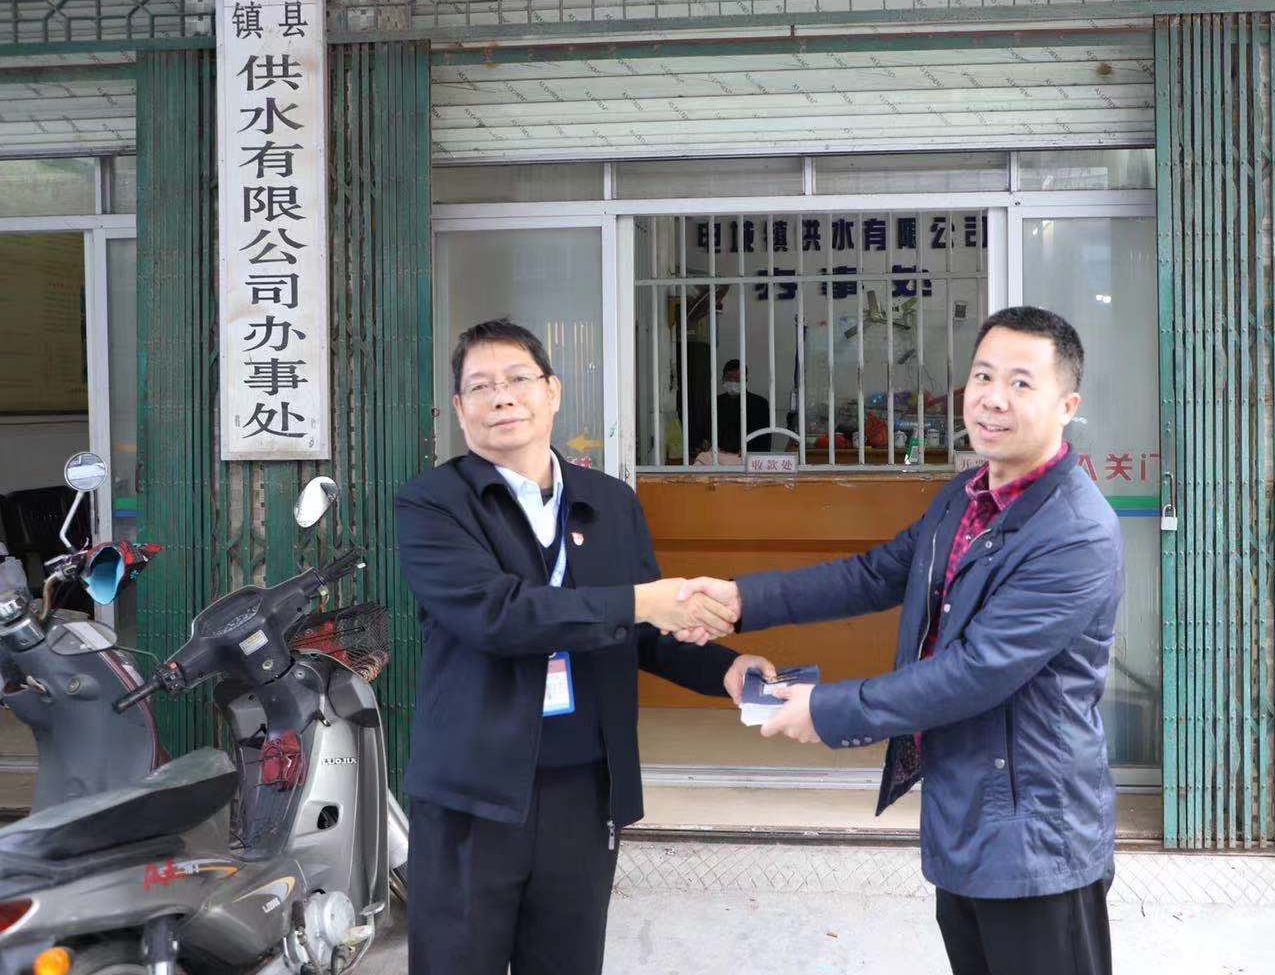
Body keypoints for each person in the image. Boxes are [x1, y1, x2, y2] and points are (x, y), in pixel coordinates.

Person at [679, 306, 1123, 975]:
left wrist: (826, 710)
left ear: (1067, 405)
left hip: (1037, 832)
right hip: (965, 811)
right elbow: (875, 574)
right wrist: (744, 601)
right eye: (983, 375)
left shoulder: (1074, 533)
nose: (993, 398)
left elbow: (975, 672)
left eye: (1021, 383)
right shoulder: (963, 498)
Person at [395, 318, 776, 975]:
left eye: (518, 379)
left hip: (584, 788)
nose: (501, 397)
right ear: (459, 409)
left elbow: (645, 632)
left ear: (553, 391)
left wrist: (727, 671)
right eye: (480, 386)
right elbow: (498, 615)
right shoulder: (434, 504)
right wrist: (642, 601)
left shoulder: (610, 502)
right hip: (472, 796)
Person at [715, 359, 773, 454]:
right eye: (729, 378)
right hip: (719, 456)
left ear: (745, 380)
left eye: (737, 379)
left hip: (749, 456)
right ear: (723, 379)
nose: (732, 382)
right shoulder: (716, 402)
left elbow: (764, 437)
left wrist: (750, 452)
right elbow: (707, 432)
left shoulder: (759, 403)